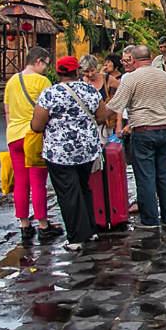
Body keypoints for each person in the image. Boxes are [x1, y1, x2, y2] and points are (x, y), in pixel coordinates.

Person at [31, 56, 115, 251]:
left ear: (58, 72)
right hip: (86, 150)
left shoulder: (50, 94)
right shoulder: (90, 91)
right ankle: (90, 229)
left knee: (68, 193)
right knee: (84, 188)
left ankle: (76, 237)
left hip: (59, 153)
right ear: (77, 71)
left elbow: (37, 125)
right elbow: (102, 116)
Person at [107, 44, 166, 233]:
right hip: (165, 130)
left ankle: (150, 219)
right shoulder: (165, 77)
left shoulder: (131, 79)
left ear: (134, 60)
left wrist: (99, 114)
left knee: (145, 177)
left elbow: (116, 105)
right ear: (150, 58)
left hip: (143, 131)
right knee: (163, 176)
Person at [4, 46, 58, 242]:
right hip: (34, 136)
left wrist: (11, 131)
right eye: (45, 64)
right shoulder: (42, 81)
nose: (46, 68)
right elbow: (49, 110)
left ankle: (24, 224)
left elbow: (7, 111)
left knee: (20, 181)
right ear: (38, 61)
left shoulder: (12, 81)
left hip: (14, 135)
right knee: (37, 182)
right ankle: (43, 225)